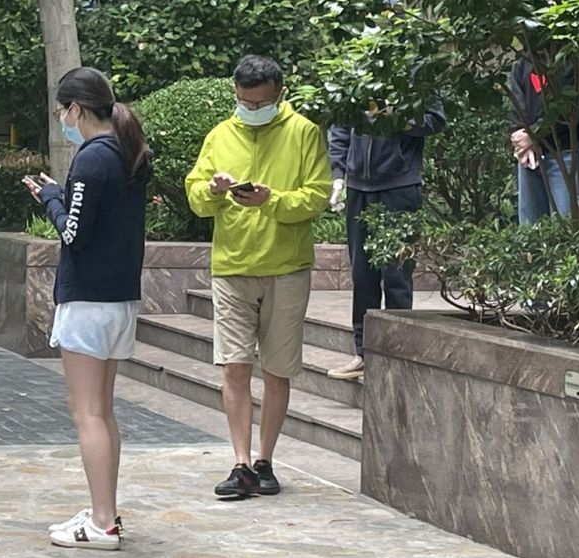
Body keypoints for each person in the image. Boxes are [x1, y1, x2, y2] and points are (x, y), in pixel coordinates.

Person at [185, 55, 332, 500]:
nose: (251, 109)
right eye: (244, 101)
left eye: (260, 102)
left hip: (286, 267)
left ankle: (265, 460)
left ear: (279, 95)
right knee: (234, 366)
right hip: (232, 266)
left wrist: (273, 200)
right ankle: (240, 463)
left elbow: (317, 196)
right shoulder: (219, 134)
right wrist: (213, 191)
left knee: (277, 369)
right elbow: (195, 196)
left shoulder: (304, 133)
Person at [23, 67, 150, 551]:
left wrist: (51, 198)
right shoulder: (128, 151)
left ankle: (101, 523)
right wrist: (62, 195)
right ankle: (105, 512)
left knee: (88, 414)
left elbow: (74, 233)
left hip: (88, 301)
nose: (63, 121)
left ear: (76, 109)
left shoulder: (93, 158)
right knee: (103, 411)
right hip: (118, 299)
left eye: (63, 112)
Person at [325, 97, 446, 380]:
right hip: (358, 187)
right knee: (362, 275)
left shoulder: (414, 80)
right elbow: (341, 125)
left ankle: (397, 357)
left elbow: (435, 121)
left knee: (397, 275)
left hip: (399, 185)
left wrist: (397, 116)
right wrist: (339, 173)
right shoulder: (354, 78)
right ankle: (362, 354)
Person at [508, 54, 579, 224]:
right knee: (530, 228)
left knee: (569, 225)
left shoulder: (574, 59)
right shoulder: (523, 63)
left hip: (567, 153)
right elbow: (516, 107)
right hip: (529, 156)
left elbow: (571, 109)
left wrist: (534, 135)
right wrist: (523, 139)